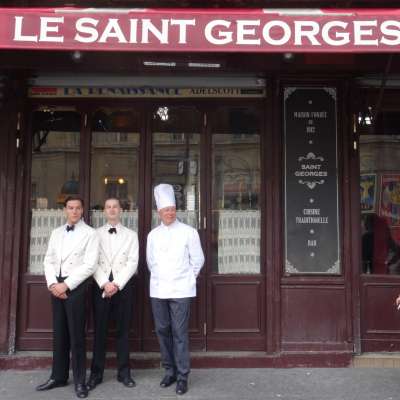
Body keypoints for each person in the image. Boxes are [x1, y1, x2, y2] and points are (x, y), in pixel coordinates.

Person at [36, 195, 99, 399]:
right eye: (70, 208)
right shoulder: (56, 233)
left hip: (76, 286)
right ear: (65, 210)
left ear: (82, 211)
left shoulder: (90, 233)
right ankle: (58, 376)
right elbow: (48, 260)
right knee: (60, 334)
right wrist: (53, 284)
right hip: (57, 285)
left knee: (77, 336)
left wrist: (66, 284)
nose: (74, 211)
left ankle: (80, 381)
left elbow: (90, 265)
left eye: (77, 208)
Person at [146, 183, 205, 395]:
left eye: (171, 210)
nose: (169, 213)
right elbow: (150, 262)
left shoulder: (189, 232)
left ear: (175, 211)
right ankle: (169, 371)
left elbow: (198, 259)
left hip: (181, 290)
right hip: (159, 289)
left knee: (179, 333)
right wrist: (162, 276)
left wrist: (188, 277)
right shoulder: (153, 235)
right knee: (163, 331)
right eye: (165, 211)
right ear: (159, 213)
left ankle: (182, 376)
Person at [87, 198, 139, 391]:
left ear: (121, 210)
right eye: (108, 207)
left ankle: (124, 373)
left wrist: (116, 284)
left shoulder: (131, 235)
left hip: (123, 288)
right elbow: (91, 262)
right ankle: (96, 374)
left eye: (115, 207)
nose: (111, 210)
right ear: (104, 211)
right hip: (100, 288)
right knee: (99, 332)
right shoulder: (94, 234)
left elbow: (133, 262)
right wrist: (104, 283)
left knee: (123, 332)